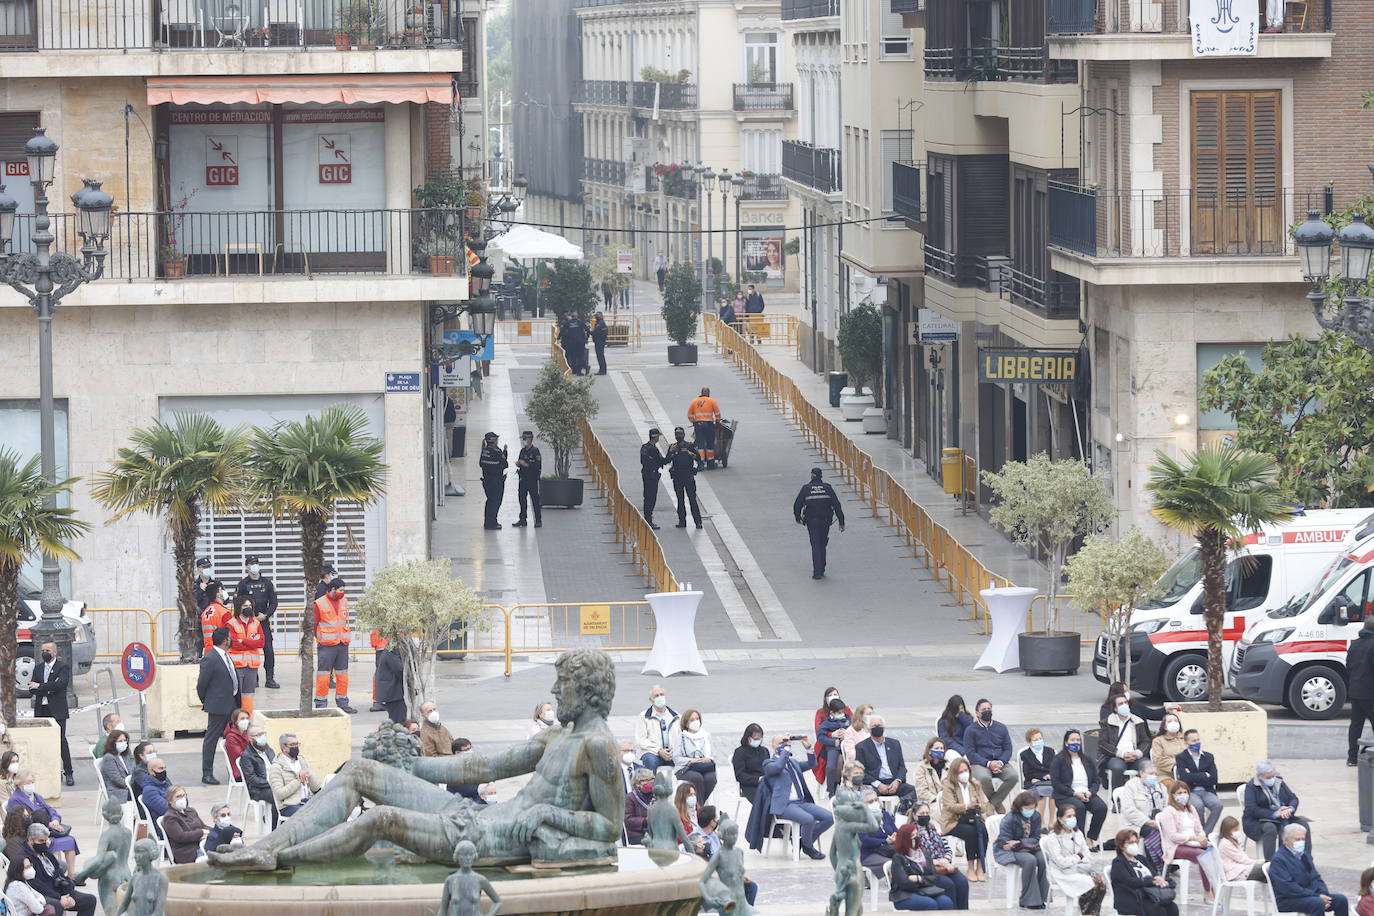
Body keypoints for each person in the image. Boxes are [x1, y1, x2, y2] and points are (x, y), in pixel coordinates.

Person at [748, 734, 832, 860]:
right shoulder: (768, 763)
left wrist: (809, 749)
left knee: (829, 817)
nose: (784, 744)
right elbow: (777, 768)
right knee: (808, 819)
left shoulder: (792, 762)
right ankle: (808, 847)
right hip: (785, 805)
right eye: (781, 742)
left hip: (802, 802)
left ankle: (803, 843)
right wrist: (785, 752)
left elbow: (812, 764)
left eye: (787, 742)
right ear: (773, 746)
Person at [1157, 778, 1218, 899]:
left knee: (1212, 852)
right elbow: (1173, 836)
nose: (1183, 796)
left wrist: (1202, 838)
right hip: (1176, 847)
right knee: (1203, 856)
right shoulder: (1168, 812)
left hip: (1194, 843)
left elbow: (1199, 828)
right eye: (1179, 793)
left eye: (1185, 793)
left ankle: (1216, 888)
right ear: (1173, 795)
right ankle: (1208, 891)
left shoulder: (1191, 809)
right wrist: (1193, 838)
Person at [1269, 823, 1346, 916]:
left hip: (1310, 894)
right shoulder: (1279, 859)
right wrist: (1316, 896)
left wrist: (1323, 893)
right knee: (1317, 903)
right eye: (1297, 839)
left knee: (1341, 900)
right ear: (1286, 840)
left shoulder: (1304, 855)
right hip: (1288, 899)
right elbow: (1288, 888)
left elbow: (1315, 877)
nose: (1301, 842)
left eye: (1303, 839)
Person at [6, 774, 77, 872]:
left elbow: (50, 809)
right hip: (35, 834)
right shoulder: (15, 800)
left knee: (70, 840)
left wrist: (55, 820)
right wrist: (48, 825)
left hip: (47, 829)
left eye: (32, 782)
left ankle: (71, 875)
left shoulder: (36, 796)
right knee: (60, 866)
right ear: (19, 784)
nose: (31, 785)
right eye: (28, 783)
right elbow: (22, 822)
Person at [195, 627, 239, 786]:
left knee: (234, 739)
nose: (232, 639)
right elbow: (201, 685)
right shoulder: (210, 658)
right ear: (225, 640)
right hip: (218, 706)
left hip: (232, 705)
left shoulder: (226, 656)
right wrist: (208, 702)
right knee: (211, 740)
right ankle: (207, 773)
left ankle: (235, 772)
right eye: (230, 637)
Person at [1050, 729, 1107, 850]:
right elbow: (1056, 783)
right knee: (1078, 808)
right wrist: (1074, 793)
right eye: (1072, 740)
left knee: (1101, 808)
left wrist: (1090, 792)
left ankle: (1091, 837)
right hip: (1066, 795)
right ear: (1066, 742)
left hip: (1087, 793)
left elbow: (1096, 780)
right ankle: (1079, 840)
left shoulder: (1087, 759)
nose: (1075, 742)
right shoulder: (1058, 760)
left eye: (1078, 740)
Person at [1045, 804, 1106, 915]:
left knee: (1100, 882)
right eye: (1068, 816)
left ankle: (1093, 913)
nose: (1072, 819)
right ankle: (1087, 913)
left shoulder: (1078, 833)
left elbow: (1087, 855)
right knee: (1090, 883)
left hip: (1082, 868)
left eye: (1074, 816)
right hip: (1063, 872)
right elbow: (1061, 862)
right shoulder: (1053, 837)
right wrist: (1078, 856)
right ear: (1059, 818)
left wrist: (1078, 858)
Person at [1243, 760, 1310, 859]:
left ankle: (1306, 859)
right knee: (1270, 829)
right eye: (1268, 777)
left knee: (1303, 824)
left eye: (1273, 776)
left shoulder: (1278, 781)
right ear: (1260, 777)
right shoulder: (1252, 787)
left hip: (1283, 815)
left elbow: (1293, 798)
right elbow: (1251, 809)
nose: (1272, 779)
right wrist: (1274, 814)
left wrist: (1290, 809)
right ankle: (1271, 862)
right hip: (1261, 819)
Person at [21, 824, 93, 916]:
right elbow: (35, 885)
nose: (45, 843)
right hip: (41, 895)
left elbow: (59, 872)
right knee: (56, 906)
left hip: (59, 891)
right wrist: (59, 898)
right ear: (31, 840)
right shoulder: (24, 858)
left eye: (46, 840)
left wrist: (68, 892)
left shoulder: (45, 853)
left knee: (89, 900)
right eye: (41, 841)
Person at [28, 642, 73, 788]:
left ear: (54, 652)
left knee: (61, 740)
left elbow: (61, 685)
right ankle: (50, 773)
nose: (44, 653)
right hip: (42, 709)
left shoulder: (62, 667)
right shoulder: (39, 668)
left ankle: (69, 772)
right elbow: (31, 689)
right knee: (42, 741)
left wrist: (41, 686)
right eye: (42, 650)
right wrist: (48, 688)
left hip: (57, 709)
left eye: (47, 650)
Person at [994, 791, 1050, 908]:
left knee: (1043, 858)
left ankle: (1042, 897)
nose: (1031, 811)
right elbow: (1006, 843)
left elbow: (1036, 838)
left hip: (1029, 847)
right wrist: (1018, 844)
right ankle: (1029, 900)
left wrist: (1020, 842)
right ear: (1019, 807)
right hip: (1009, 851)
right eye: (1027, 808)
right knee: (1030, 860)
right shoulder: (1009, 819)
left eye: (1033, 808)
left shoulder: (1036, 816)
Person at [937, 757, 988, 882]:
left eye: (965, 770)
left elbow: (985, 804)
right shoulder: (949, 785)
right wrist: (967, 806)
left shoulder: (975, 784)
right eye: (960, 772)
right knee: (971, 833)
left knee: (983, 831)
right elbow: (949, 806)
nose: (964, 774)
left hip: (972, 818)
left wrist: (978, 806)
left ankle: (980, 866)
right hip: (954, 821)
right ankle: (970, 867)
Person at [911, 800, 969, 908]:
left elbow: (947, 848)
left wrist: (946, 859)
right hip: (927, 869)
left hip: (943, 865)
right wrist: (937, 862)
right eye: (922, 814)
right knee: (948, 884)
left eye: (927, 813)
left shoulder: (933, 829)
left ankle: (962, 912)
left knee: (962, 882)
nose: (925, 816)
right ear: (914, 815)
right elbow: (914, 856)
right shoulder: (912, 832)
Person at [234, 554, 280, 690]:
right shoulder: (243, 584)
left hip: (263, 621)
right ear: (246, 567)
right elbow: (237, 602)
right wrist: (252, 615)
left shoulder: (267, 583)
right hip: (248, 621)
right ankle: (253, 678)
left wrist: (265, 615)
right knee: (250, 648)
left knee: (269, 650)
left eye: (256, 563)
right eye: (251, 564)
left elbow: (274, 602)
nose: (254, 566)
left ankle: (270, 678)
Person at [964, 699, 1018, 814]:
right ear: (977, 713)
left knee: (1013, 776)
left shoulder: (1001, 727)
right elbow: (970, 752)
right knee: (983, 778)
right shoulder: (970, 730)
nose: (987, 711)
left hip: (1000, 761)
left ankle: (993, 803)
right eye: (983, 709)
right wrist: (988, 764)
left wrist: (1001, 762)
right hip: (981, 763)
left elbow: (1008, 748)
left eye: (989, 709)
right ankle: (998, 804)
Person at [1110, 827, 1178, 916]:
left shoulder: (1140, 858)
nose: (1134, 845)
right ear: (1121, 846)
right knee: (1158, 911)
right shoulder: (1118, 863)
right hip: (1133, 897)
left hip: (1150, 894)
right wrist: (1151, 881)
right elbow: (1130, 882)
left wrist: (1161, 881)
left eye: (1136, 842)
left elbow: (1154, 874)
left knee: (1172, 908)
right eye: (1131, 843)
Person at [793, 467, 846, 580]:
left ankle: (817, 572)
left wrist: (798, 518)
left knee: (815, 545)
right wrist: (841, 522)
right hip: (825, 521)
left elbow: (797, 505)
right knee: (822, 543)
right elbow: (837, 505)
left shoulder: (806, 488)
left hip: (812, 521)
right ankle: (822, 567)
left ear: (812, 475)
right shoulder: (827, 488)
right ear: (821, 476)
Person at [313, 577, 356, 713]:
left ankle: (343, 703)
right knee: (323, 675)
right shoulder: (319, 603)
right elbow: (313, 624)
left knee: (342, 675)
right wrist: (321, 638)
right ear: (332, 589)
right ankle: (321, 704)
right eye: (341, 590)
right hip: (326, 645)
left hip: (342, 644)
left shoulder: (344, 601)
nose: (343, 593)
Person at [856, 715, 917, 810]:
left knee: (911, 790)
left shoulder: (894, 744)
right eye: (874, 726)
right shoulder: (861, 747)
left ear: (884, 727)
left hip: (894, 782)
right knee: (868, 796)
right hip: (874, 784)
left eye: (879, 725)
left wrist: (897, 781)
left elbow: (902, 767)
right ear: (869, 729)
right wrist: (878, 784)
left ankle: (902, 814)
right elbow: (861, 772)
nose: (877, 728)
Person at [890, 822, 955, 910]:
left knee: (946, 902)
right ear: (904, 838)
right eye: (912, 835)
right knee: (930, 904)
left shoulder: (924, 854)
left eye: (916, 834)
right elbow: (904, 883)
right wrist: (925, 881)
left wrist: (919, 879)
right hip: (903, 895)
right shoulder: (898, 858)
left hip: (926, 890)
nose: (915, 837)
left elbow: (935, 878)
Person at [1099, 692, 1151, 791]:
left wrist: (1137, 753)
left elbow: (1146, 741)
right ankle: (1118, 798)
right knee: (1117, 768)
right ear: (1115, 708)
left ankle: (1145, 795)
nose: (1124, 705)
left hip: (1135, 755)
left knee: (1147, 766)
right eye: (1120, 704)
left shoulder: (1137, 721)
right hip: (1116, 756)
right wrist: (1122, 754)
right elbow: (1103, 744)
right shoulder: (1107, 723)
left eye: (1125, 703)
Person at [1174, 728, 1222, 834]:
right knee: (1198, 806)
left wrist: (1192, 776)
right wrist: (1204, 775)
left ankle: (1205, 833)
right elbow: (1184, 777)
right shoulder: (1181, 757)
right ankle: (1200, 832)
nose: (1197, 743)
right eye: (1193, 741)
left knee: (1218, 805)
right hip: (1190, 791)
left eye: (1198, 740)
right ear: (1186, 742)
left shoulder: (1208, 757)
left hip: (1207, 790)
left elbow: (1214, 779)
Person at [226, 596, 264, 716]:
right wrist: (251, 642)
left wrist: (243, 640)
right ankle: (233, 724)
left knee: (248, 695)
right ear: (238, 607)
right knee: (235, 695)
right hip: (237, 666)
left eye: (249, 606)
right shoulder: (231, 624)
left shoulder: (256, 623)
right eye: (245, 606)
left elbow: (261, 642)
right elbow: (234, 644)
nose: (248, 608)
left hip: (252, 667)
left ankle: (246, 720)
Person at [268, 733, 320, 817]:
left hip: (307, 801)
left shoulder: (302, 760)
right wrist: (298, 780)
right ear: (284, 748)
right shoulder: (276, 767)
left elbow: (316, 788)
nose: (296, 747)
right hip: (288, 806)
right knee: (311, 815)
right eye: (292, 745)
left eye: (297, 744)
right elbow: (279, 794)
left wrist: (308, 773)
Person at [1346, 616, 1374, 766]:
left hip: (1355, 691)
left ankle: (1352, 758)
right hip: (1370, 694)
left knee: (1356, 725)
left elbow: (1348, 666)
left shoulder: (1354, 644)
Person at [673, 708, 717, 805]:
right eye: (692, 720)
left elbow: (713, 755)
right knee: (697, 778)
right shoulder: (681, 737)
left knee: (711, 779)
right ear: (686, 723)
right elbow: (676, 758)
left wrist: (708, 759)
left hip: (704, 767)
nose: (695, 722)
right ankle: (701, 808)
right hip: (686, 768)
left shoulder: (706, 736)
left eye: (697, 719)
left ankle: (699, 805)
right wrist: (691, 760)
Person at [238, 725, 278, 829]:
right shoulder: (247, 756)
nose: (263, 737)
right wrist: (270, 783)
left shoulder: (269, 750)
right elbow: (252, 779)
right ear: (251, 739)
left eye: (263, 734)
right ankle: (275, 829)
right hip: (258, 789)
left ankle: (282, 820)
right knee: (278, 796)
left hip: (274, 783)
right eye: (259, 735)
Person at [635, 685, 679, 771]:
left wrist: (673, 750)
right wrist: (659, 750)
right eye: (656, 696)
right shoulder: (643, 717)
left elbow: (681, 737)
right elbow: (641, 739)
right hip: (653, 752)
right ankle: (651, 784)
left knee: (683, 760)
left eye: (661, 694)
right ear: (651, 699)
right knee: (650, 760)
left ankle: (680, 784)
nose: (660, 697)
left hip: (672, 752)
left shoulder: (676, 716)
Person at [859, 786, 899, 879]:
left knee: (908, 857)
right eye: (870, 802)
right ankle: (895, 883)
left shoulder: (885, 814)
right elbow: (865, 840)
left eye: (876, 800)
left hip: (888, 849)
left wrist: (895, 836)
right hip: (869, 853)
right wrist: (885, 841)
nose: (875, 803)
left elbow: (895, 830)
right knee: (895, 863)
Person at [665, 427, 702, 529]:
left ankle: (698, 522)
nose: (679, 436)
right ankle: (682, 521)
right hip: (677, 477)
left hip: (688, 477)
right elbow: (666, 460)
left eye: (680, 434)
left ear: (684, 435)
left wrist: (693, 455)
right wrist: (671, 452)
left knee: (692, 500)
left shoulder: (690, 446)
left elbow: (699, 459)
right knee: (680, 500)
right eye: (677, 434)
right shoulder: (672, 447)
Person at [162, 785, 209, 864]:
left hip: (200, 844)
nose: (182, 799)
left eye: (184, 795)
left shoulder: (191, 811)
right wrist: (201, 832)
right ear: (170, 800)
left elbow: (203, 826)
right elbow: (181, 836)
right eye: (178, 797)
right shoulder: (170, 817)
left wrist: (212, 832)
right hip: (186, 851)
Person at [97, 729, 134, 828]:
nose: (124, 743)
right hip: (118, 790)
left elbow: (132, 773)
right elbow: (115, 778)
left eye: (125, 740)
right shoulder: (109, 758)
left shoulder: (125, 756)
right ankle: (129, 829)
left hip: (128, 788)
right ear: (113, 743)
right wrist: (128, 786)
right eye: (120, 741)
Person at [816, 698, 851, 795]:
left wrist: (847, 733)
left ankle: (850, 786)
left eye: (842, 712)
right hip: (833, 747)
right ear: (832, 712)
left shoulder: (848, 720)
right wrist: (832, 741)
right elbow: (820, 737)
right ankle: (831, 789)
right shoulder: (826, 723)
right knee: (831, 767)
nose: (842, 714)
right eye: (839, 712)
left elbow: (855, 730)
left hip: (847, 746)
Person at [1217, 815, 1265, 885]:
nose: (1238, 832)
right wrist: (1259, 862)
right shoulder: (1226, 844)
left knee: (1272, 871)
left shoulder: (1232, 841)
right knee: (1268, 868)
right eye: (1235, 830)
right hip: (1237, 872)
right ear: (1227, 831)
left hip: (1242, 869)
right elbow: (1242, 860)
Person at [1020, 728, 1055, 822]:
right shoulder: (1025, 755)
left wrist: (1049, 775)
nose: (1039, 741)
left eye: (1040, 739)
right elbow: (1027, 773)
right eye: (1035, 740)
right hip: (1033, 781)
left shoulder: (1050, 751)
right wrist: (1040, 777)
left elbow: (1054, 768)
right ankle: (1042, 822)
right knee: (1041, 794)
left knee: (1054, 794)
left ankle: (1051, 821)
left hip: (1049, 780)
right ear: (1029, 742)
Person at [449, 739, 497, 805]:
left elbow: (489, 774)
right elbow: (466, 790)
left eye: (470, 748)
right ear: (457, 753)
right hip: (463, 804)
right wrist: (483, 786)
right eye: (466, 749)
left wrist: (489, 784)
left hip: (481, 800)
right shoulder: (452, 769)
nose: (470, 751)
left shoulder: (475, 762)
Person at [512, 430, 542, 528]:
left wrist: (526, 464)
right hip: (523, 479)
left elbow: (537, 466)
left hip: (532, 479)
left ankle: (538, 520)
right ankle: (522, 520)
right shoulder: (523, 450)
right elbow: (520, 460)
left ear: (530, 439)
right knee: (522, 499)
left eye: (525, 438)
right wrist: (519, 463)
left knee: (535, 500)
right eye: (523, 438)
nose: (524, 440)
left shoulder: (535, 451)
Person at [478, 431, 508, 530]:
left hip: (487, 481)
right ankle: (492, 523)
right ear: (494, 441)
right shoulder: (497, 452)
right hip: (496, 482)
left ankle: (487, 523)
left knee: (490, 502)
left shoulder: (484, 451)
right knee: (495, 503)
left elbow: (481, 464)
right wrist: (504, 452)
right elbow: (505, 464)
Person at [731, 724, 768, 804]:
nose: (758, 740)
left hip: (766, 782)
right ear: (748, 738)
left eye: (760, 738)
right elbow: (739, 775)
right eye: (755, 739)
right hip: (750, 785)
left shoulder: (764, 750)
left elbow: (768, 767)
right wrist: (758, 779)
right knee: (763, 801)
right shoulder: (740, 752)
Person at [639, 427, 667, 530]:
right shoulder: (653, 449)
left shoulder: (644, 447)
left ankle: (647, 519)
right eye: (658, 436)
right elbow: (663, 461)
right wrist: (671, 453)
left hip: (646, 475)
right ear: (655, 437)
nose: (659, 438)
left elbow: (643, 461)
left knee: (647, 497)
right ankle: (649, 521)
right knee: (651, 498)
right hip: (652, 476)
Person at [686, 387, 722, 467]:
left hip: (698, 425)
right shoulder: (712, 401)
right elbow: (717, 414)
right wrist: (717, 422)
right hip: (709, 425)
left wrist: (694, 421)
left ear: (701, 393)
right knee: (710, 444)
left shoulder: (694, 401)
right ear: (708, 393)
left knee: (700, 444)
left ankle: (701, 463)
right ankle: (710, 463)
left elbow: (689, 415)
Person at [374, 638, 405, 724]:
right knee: (398, 721)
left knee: (397, 719)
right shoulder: (392, 651)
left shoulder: (390, 650)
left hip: (392, 693)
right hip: (393, 694)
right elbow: (400, 670)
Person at [139, 759, 171, 836]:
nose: (164, 771)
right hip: (165, 828)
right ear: (151, 771)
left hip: (174, 822)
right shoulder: (149, 791)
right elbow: (167, 810)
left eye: (165, 768)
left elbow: (182, 798)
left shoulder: (165, 783)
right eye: (160, 769)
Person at [1150, 711, 1187, 778]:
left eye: (1176, 721)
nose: (1173, 723)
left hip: (1188, 772)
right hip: (1166, 775)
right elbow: (1158, 760)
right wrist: (1179, 763)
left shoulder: (1186, 738)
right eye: (1169, 721)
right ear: (1164, 727)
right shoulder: (1158, 741)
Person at [199, 581, 232, 655]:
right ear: (218, 595)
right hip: (221, 651)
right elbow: (231, 634)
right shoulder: (224, 612)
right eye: (221, 590)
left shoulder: (205, 612)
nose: (224, 591)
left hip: (208, 651)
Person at [937, 695, 973, 760]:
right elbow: (946, 740)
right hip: (952, 748)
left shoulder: (967, 718)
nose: (960, 711)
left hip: (967, 747)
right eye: (957, 709)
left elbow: (972, 732)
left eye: (961, 709)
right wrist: (962, 751)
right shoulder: (943, 721)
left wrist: (963, 718)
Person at [914, 737, 948, 805]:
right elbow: (921, 791)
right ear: (929, 750)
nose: (939, 750)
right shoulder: (921, 767)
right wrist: (936, 799)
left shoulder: (948, 766)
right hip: (930, 803)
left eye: (941, 748)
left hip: (947, 802)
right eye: (936, 748)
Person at [623, 770, 653, 845]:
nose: (649, 782)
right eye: (645, 780)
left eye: (651, 779)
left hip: (655, 832)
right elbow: (627, 820)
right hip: (637, 834)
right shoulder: (630, 798)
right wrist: (645, 821)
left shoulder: (657, 795)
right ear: (637, 784)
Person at [223, 710, 252, 780]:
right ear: (235, 721)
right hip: (240, 770)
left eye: (247, 718)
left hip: (249, 765)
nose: (245, 721)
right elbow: (240, 755)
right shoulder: (231, 737)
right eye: (242, 718)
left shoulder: (246, 732)